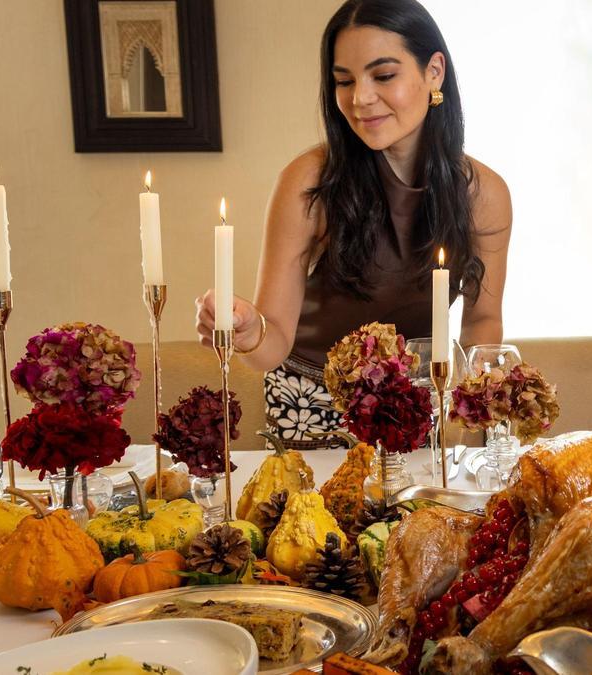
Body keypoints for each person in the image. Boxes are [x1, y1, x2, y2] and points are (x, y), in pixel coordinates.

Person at [195, 0, 511, 449]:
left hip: (416, 402)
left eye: (383, 76)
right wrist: (248, 331)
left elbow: (482, 322)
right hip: (310, 405)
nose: (360, 98)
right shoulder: (308, 181)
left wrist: (466, 425)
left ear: (434, 72)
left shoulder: (484, 194)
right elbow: (274, 344)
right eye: (344, 80)